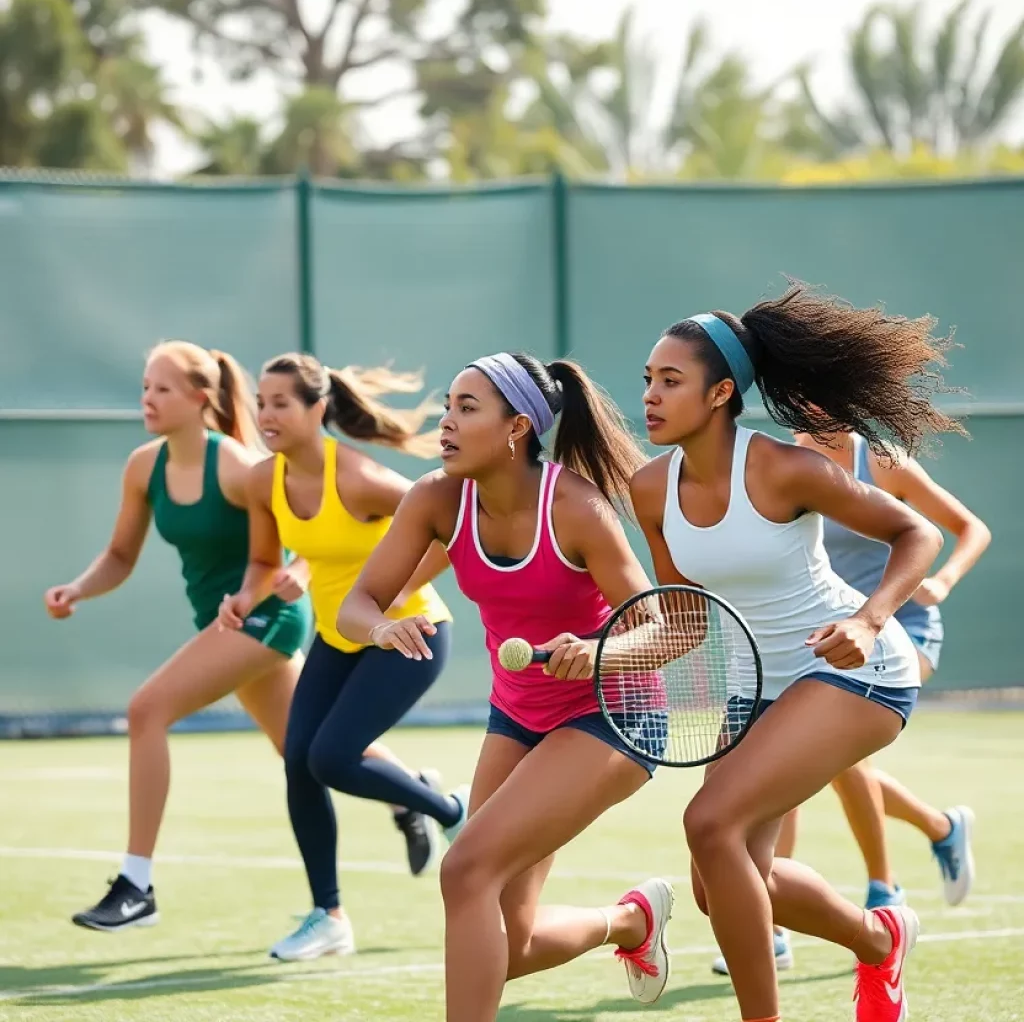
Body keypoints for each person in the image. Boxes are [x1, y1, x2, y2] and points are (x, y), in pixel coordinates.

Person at [632, 284, 965, 1022]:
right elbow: (687, 621)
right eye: (647, 380)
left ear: (721, 392)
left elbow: (920, 534)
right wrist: (603, 652)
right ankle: (877, 943)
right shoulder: (649, 490)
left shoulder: (786, 468)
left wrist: (874, 621)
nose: (650, 396)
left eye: (670, 380)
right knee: (718, 884)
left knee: (709, 823)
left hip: (855, 671)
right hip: (757, 685)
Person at [338, 352, 674, 1022]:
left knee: (464, 871)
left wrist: (600, 652)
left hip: (616, 714)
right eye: (448, 407)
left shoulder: (575, 506)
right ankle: (632, 923)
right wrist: (381, 629)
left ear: (517, 426)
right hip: (519, 717)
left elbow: (658, 629)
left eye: (467, 408)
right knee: (510, 945)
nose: (446, 423)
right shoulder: (435, 499)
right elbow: (359, 603)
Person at [44, 340, 312, 933]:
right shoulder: (144, 466)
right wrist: (78, 589)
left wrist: (295, 575)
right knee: (305, 753)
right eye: (144, 387)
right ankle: (427, 801)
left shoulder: (239, 465)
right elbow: (119, 554)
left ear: (199, 399)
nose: (148, 398)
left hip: (266, 614)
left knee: (147, 709)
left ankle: (136, 885)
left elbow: (299, 539)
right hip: (221, 622)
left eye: (161, 389)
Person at [710, 428, 988, 976]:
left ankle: (884, 893)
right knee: (785, 764)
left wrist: (945, 581)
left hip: (899, 626)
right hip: (818, 636)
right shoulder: (782, 462)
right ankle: (937, 829)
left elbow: (966, 528)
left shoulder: (883, 462)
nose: (810, 404)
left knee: (827, 758)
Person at [218, 353, 463, 962]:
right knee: (298, 761)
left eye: (280, 403)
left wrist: (399, 592)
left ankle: (446, 809)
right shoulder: (261, 480)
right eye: (261, 402)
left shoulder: (358, 477)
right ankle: (328, 917)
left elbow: (451, 527)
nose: (265, 414)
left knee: (330, 757)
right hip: (338, 636)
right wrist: (245, 597)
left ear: (316, 409)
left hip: (410, 634)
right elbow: (262, 560)